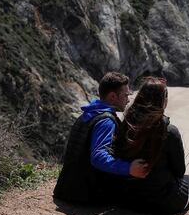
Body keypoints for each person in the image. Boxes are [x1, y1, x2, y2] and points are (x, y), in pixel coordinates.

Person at [110, 76, 189, 214]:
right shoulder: (169, 131)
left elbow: (117, 154)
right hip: (163, 203)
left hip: (128, 199)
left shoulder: (125, 125)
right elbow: (179, 171)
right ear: (163, 101)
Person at [54, 72, 149, 205]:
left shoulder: (88, 114)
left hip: (66, 188)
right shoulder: (106, 121)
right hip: (86, 195)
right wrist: (129, 169)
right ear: (112, 96)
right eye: (125, 95)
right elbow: (98, 156)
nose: (128, 100)